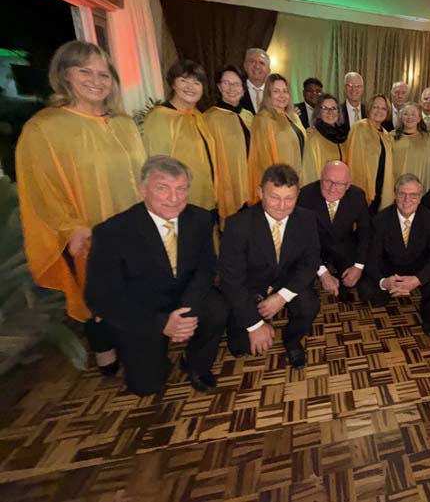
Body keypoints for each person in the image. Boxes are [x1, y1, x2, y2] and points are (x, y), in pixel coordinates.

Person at [15, 40, 146, 375]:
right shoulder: (45, 127)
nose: (96, 80)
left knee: (135, 289)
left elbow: (142, 176)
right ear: (64, 75)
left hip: (132, 227)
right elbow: (42, 187)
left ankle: (138, 344)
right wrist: (70, 226)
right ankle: (105, 351)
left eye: (104, 74)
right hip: (87, 231)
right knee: (96, 293)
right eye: (85, 71)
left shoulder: (124, 124)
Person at [85, 156, 225, 396]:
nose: (174, 198)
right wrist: (162, 323)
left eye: (181, 189)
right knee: (146, 386)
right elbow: (100, 297)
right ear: (143, 190)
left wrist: (188, 310)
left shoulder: (200, 218)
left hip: (184, 296)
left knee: (218, 308)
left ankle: (195, 363)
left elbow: (206, 267)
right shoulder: (112, 232)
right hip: (141, 309)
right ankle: (127, 347)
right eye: (163, 188)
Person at [220, 164, 320, 369]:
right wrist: (254, 325)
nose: (282, 206)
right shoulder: (237, 225)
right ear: (260, 193)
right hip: (251, 286)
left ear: (298, 195)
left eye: (289, 198)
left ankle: (292, 340)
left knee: (309, 305)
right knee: (242, 346)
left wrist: (283, 296)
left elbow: (310, 262)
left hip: (287, 281)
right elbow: (232, 281)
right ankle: (242, 326)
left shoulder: (307, 218)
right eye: (274, 197)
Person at [358, 174, 430, 334]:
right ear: (395, 195)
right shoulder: (380, 220)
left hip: (418, 267)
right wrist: (385, 282)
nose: (407, 200)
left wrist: (417, 279)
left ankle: (428, 314)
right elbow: (372, 259)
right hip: (391, 268)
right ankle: (389, 292)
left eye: (413, 195)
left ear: (420, 198)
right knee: (365, 290)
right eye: (402, 194)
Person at [143, 59, 218, 212]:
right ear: (173, 84)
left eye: (197, 82)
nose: (190, 87)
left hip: (205, 199)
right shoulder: (160, 117)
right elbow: (158, 165)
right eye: (183, 80)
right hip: (177, 203)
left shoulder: (198, 115)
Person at [296, 161, 370, 303]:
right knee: (304, 295)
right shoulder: (305, 195)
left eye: (340, 183)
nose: (332, 188)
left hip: (343, 244)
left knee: (360, 284)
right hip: (312, 247)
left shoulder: (357, 195)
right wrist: (323, 272)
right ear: (320, 178)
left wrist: (358, 266)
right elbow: (301, 239)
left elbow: (365, 232)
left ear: (348, 185)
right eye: (328, 181)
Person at [203, 65, 252, 224]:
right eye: (226, 83)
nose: (231, 88)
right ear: (219, 86)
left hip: (252, 183)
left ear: (243, 89)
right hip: (227, 185)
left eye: (236, 84)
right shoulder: (210, 118)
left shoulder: (248, 116)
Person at [247, 73, 306, 201]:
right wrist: (275, 186)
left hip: (298, 181)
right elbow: (262, 159)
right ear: (268, 94)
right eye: (276, 91)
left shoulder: (293, 116)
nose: (282, 95)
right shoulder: (263, 119)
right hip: (280, 185)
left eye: (285, 91)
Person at [346, 94, 395, 213]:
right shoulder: (360, 127)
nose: (379, 111)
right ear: (369, 108)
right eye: (376, 107)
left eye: (383, 108)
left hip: (380, 188)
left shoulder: (386, 134)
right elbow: (354, 160)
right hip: (363, 188)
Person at [390, 102, 430, 190]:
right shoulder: (391, 137)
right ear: (401, 117)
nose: (409, 117)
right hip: (395, 186)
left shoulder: (427, 138)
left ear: (419, 118)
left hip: (418, 187)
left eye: (413, 114)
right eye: (406, 114)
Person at [302, 93, 348, 184]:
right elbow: (310, 172)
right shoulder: (313, 138)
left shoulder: (343, 137)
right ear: (319, 113)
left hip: (342, 186)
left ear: (338, 112)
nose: (330, 112)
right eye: (325, 108)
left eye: (333, 108)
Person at [239, 48, 270, 116]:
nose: (257, 66)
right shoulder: (235, 91)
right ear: (245, 66)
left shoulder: (274, 93)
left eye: (262, 63)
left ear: (268, 70)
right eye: (252, 61)